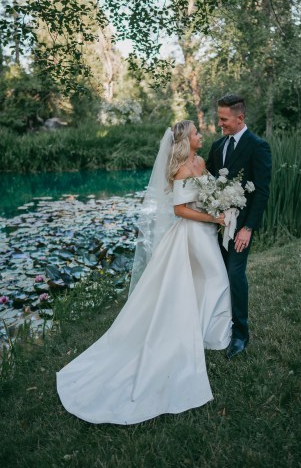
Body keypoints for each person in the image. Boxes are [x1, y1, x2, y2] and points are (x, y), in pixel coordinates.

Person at [56, 121, 232, 425]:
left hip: (205, 232)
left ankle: (209, 333)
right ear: (185, 141)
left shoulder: (201, 162)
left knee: (211, 280)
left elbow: (210, 190)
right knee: (210, 279)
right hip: (190, 233)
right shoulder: (179, 169)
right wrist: (212, 217)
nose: (200, 136)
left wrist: (221, 203)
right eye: (195, 134)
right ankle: (202, 334)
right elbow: (179, 209)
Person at [206, 94, 272, 360]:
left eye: (224, 119)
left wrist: (248, 228)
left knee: (235, 274)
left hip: (241, 227)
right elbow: (208, 180)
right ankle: (219, 324)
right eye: (219, 118)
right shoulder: (217, 145)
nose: (220, 124)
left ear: (240, 118)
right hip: (216, 225)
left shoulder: (258, 146)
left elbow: (262, 191)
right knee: (217, 275)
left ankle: (241, 334)